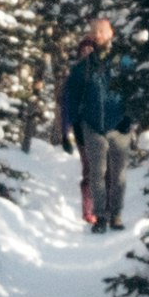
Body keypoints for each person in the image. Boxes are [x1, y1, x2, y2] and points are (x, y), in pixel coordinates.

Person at [54, 16, 134, 232]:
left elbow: (136, 91)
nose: (98, 35)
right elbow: (70, 99)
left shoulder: (124, 62)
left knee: (118, 175)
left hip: (119, 126)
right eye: (94, 31)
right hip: (92, 127)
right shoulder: (82, 68)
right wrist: (69, 130)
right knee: (96, 174)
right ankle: (99, 217)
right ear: (90, 36)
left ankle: (115, 214)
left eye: (102, 31)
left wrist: (130, 117)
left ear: (111, 33)